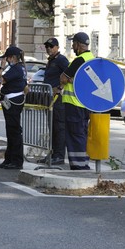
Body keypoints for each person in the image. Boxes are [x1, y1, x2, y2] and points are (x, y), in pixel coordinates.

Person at [60, 32, 95, 170]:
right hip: (85, 104)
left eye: (73, 43)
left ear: (79, 45)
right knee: (81, 134)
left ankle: (79, 165)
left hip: (74, 104)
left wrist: (69, 79)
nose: (72, 46)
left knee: (75, 136)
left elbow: (63, 78)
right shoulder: (91, 58)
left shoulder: (79, 60)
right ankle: (82, 162)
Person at [0, 46, 27, 169]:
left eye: (7, 58)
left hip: (13, 101)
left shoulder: (16, 69)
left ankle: (16, 161)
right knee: (10, 130)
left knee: (14, 131)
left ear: (12, 57)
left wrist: (1, 68)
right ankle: (9, 158)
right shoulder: (19, 68)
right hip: (12, 100)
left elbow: (0, 80)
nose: (6, 60)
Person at [40, 37, 69, 165]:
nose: (48, 49)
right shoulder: (51, 61)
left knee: (58, 127)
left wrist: (60, 88)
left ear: (57, 47)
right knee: (52, 127)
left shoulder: (61, 60)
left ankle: (59, 155)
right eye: (47, 46)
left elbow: (69, 75)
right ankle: (52, 154)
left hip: (58, 98)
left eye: (51, 46)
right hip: (49, 97)